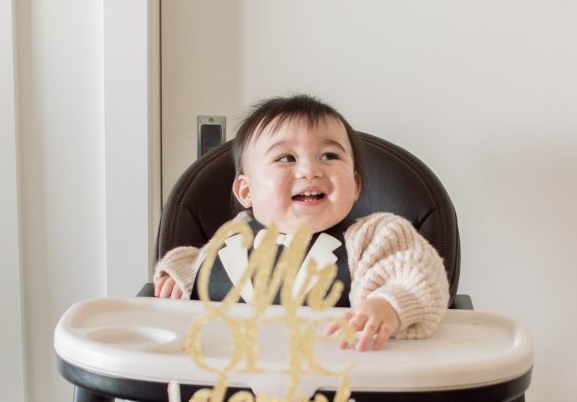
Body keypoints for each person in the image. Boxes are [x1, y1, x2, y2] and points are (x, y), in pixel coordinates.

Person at [154, 94, 449, 351]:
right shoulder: (232, 238)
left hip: (345, 398)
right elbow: (194, 263)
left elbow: (419, 275)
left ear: (356, 186)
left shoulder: (375, 238)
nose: (310, 170)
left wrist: (388, 306)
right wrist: (177, 279)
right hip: (224, 397)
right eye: (286, 158)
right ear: (247, 191)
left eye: (329, 156)